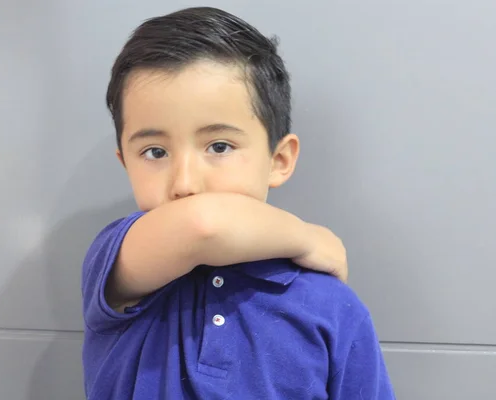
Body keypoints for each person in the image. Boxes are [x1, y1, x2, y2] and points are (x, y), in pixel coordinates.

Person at [82, 6, 395, 400]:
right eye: (155, 152)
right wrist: (307, 237)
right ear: (125, 162)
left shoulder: (331, 306)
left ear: (278, 161)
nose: (185, 183)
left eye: (219, 146)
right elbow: (203, 226)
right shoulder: (119, 262)